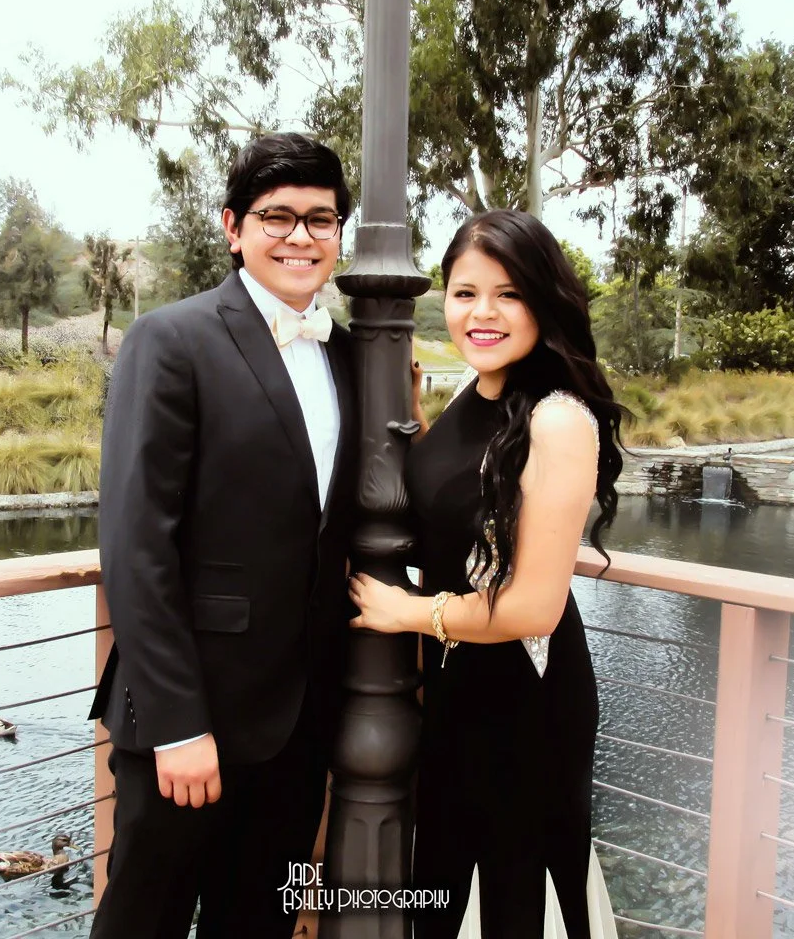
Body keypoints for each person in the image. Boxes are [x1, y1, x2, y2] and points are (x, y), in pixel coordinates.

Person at [89, 132, 357, 939]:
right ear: (234, 227)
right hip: (189, 723)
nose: (301, 237)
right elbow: (137, 545)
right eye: (278, 217)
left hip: (298, 729)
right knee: (146, 923)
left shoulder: (350, 356)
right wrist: (178, 725)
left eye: (321, 218)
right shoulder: (171, 341)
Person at [349, 209, 623, 939]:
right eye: (465, 293)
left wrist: (407, 612)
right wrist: (409, 416)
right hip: (459, 688)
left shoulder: (560, 419)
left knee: (512, 890)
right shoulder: (477, 394)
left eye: (508, 294)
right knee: (450, 877)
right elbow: (466, 496)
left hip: (526, 698)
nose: (483, 313)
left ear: (543, 299)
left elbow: (534, 606)